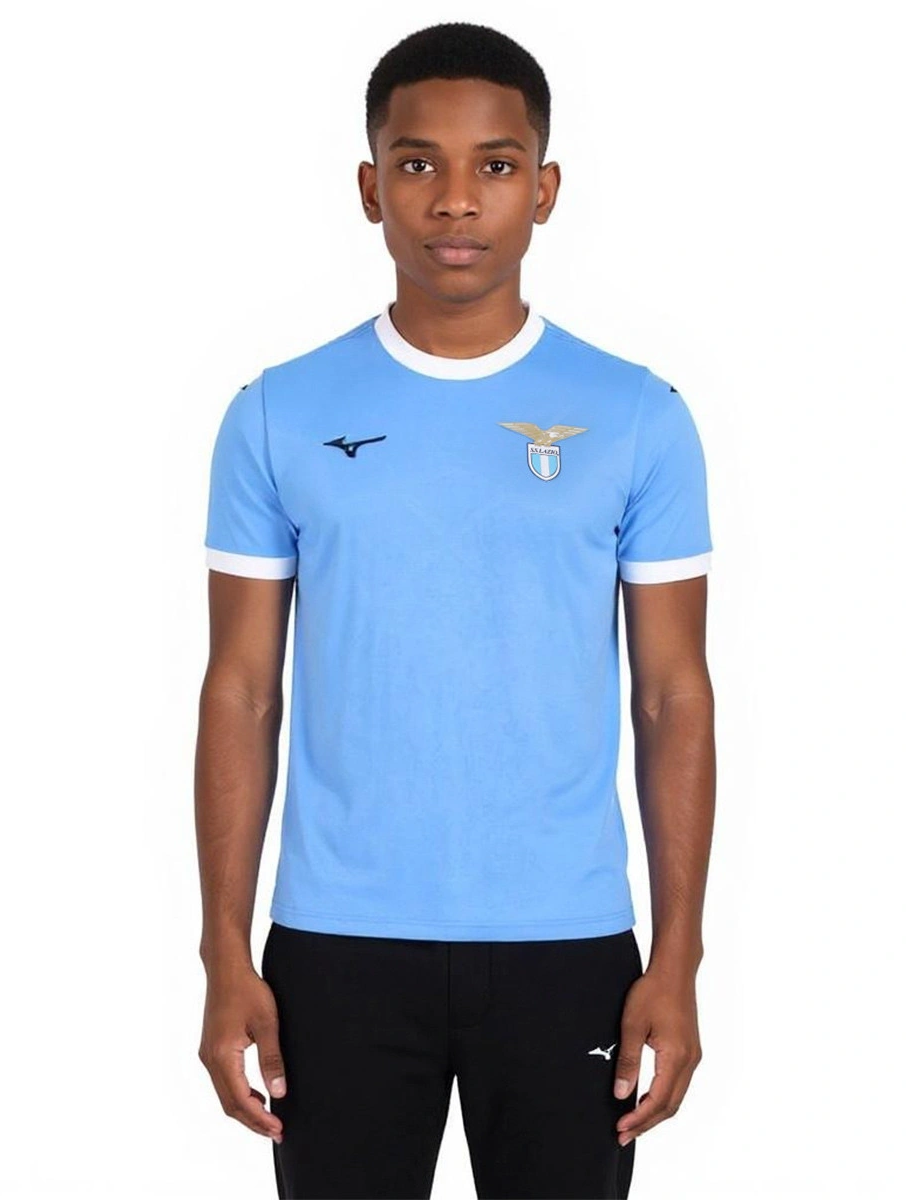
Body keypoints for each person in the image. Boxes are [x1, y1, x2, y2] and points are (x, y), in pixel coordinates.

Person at [194, 21, 715, 1200]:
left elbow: (672, 696)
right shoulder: (276, 413)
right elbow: (242, 689)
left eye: (496, 164)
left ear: (546, 189)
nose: (457, 198)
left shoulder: (638, 416)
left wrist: (678, 957)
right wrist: (224, 950)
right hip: (334, 946)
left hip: (569, 946)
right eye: (419, 162)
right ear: (370, 187)